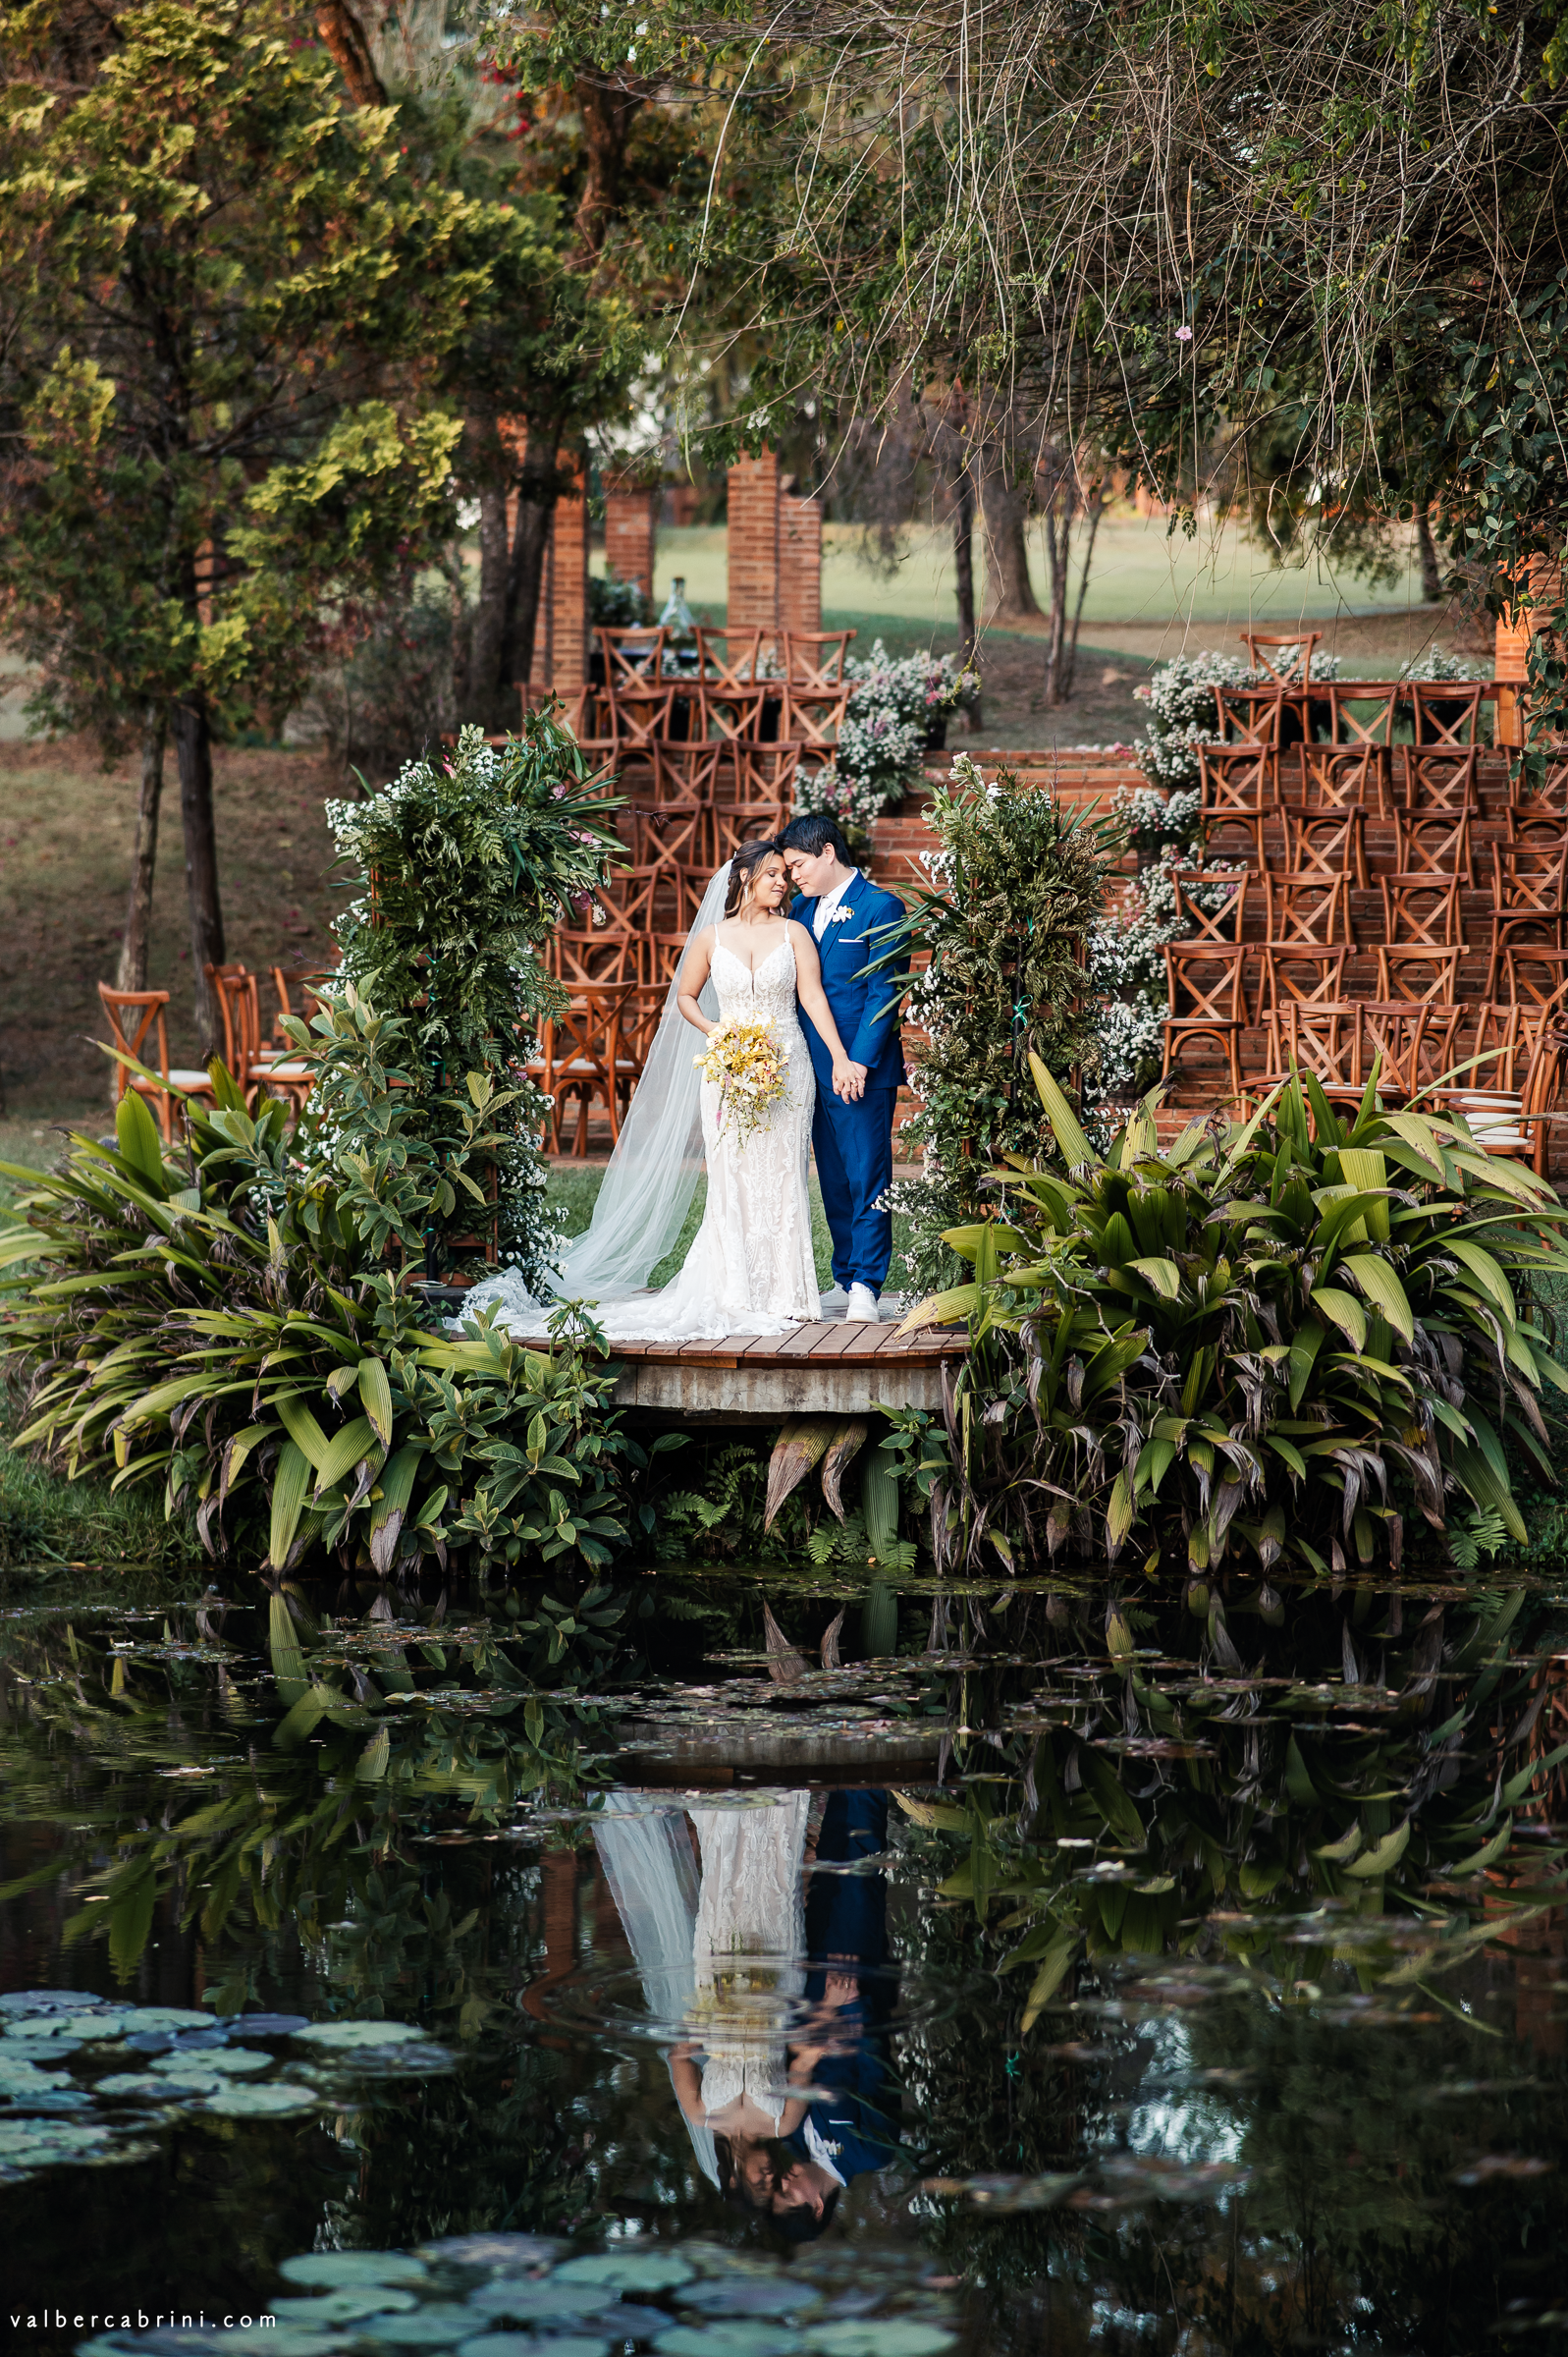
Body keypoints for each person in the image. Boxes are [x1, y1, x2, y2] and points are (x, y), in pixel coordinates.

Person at [463, 840, 859, 1343]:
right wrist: (720, 1034)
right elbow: (687, 997)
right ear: (743, 880)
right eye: (772, 875)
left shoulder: (795, 933)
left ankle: (787, 1293)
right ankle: (735, 1289)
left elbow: (812, 997)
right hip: (728, 1068)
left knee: (783, 1175)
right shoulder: (713, 937)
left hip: (788, 1068)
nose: (782, 883)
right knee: (731, 1176)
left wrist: (840, 1056)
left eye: (785, 874)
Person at [778, 816, 908, 1324]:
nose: (792, 877)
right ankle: (844, 1274)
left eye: (798, 865)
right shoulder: (800, 912)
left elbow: (885, 994)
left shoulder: (882, 907)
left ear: (827, 852)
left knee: (866, 1176)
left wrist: (856, 1061)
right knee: (832, 1177)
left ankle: (867, 1286)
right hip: (809, 1069)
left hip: (861, 1069)